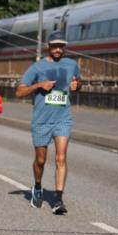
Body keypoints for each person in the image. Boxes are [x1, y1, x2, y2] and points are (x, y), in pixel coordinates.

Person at [15, 31, 80, 214]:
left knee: (61, 158)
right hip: (42, 120)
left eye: (61, 46)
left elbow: (78, 81)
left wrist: (77, 86)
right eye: (55, 46)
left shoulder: (72, 64)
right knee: (41, 160)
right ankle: (37, 187)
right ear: (48, 46)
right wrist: (38, 85)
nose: (58, 49)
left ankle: (58, 200)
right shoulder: (37, 68)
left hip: (63, 118)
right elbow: (19, 92)